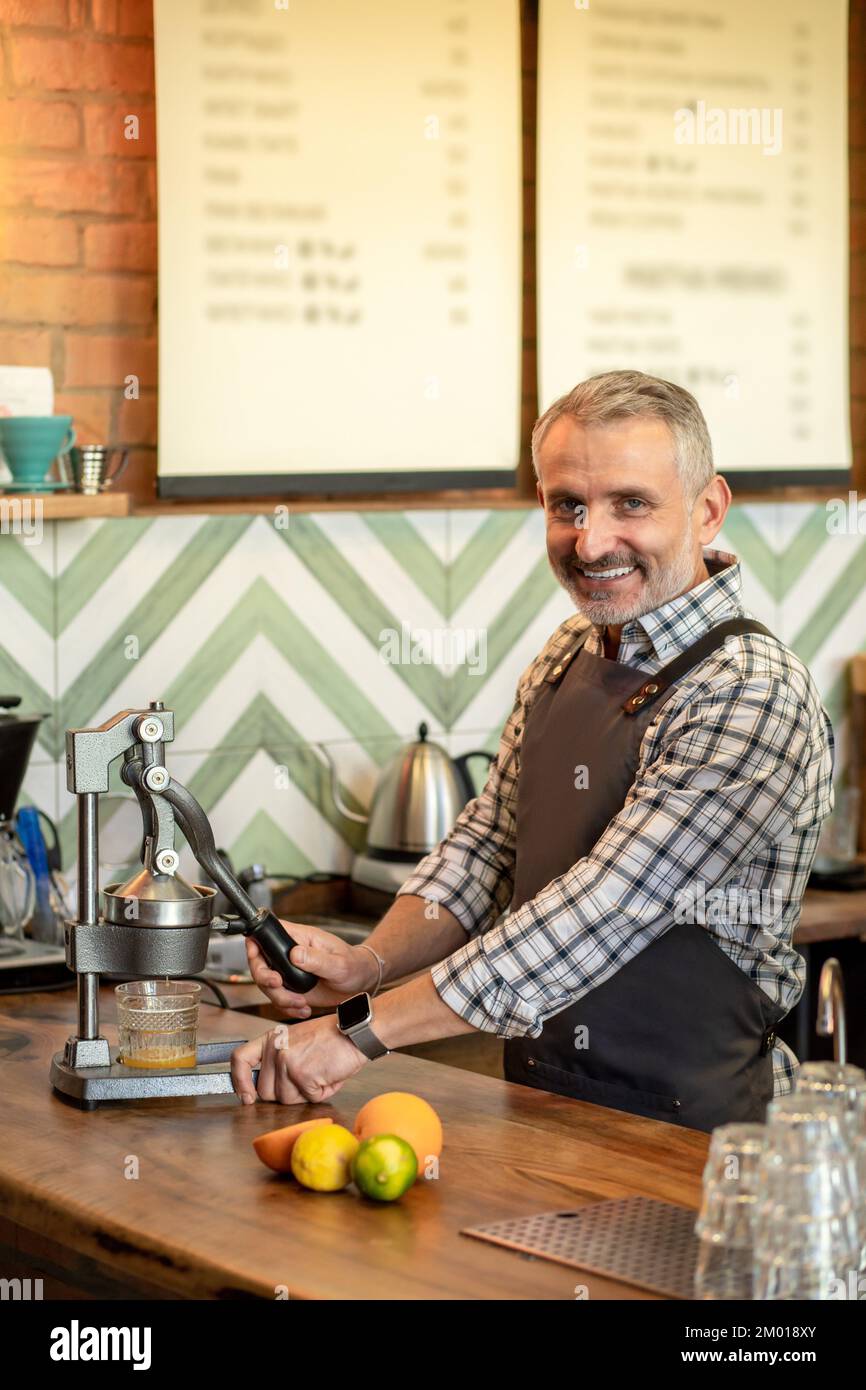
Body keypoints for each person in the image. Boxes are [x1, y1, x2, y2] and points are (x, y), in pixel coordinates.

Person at [230, 369, 834, 1132]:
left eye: (631, 504)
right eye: (567, 506)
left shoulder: (751, 692)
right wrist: (366, 966)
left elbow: (601, 910)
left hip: (701, 1137)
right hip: (540, 1109)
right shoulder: (568, 651)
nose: (591, 540)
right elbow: (489, 846)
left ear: (708, 509)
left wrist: (359, 1030)